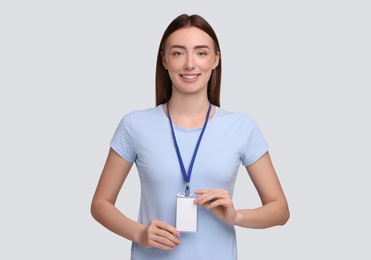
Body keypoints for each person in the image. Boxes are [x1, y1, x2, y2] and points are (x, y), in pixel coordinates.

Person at [91, 13, 290, 260]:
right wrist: (140, 233)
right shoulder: (134, 125)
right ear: (164, 60)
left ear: (216, 59)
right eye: (177, 53)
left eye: (201, 52)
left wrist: (235, 216)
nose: (189, 64)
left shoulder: (242, 127)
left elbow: (280, 209)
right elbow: (100, 204)